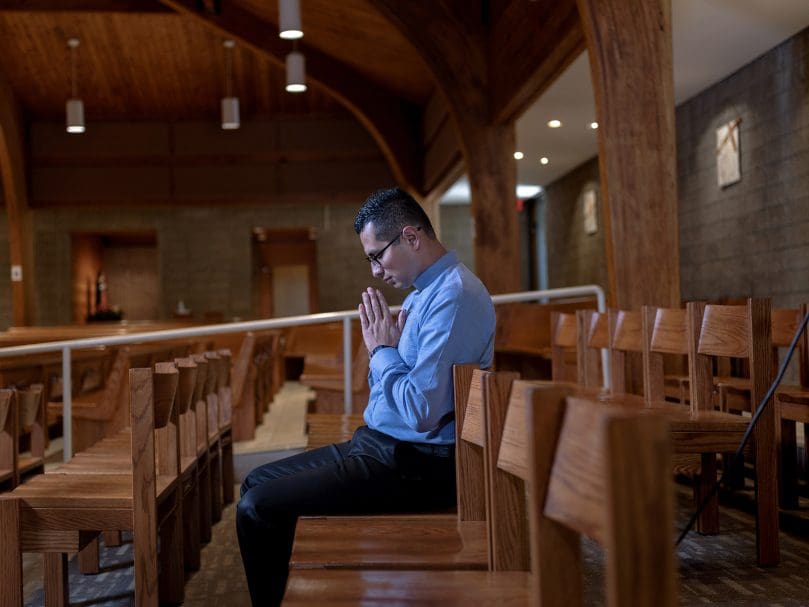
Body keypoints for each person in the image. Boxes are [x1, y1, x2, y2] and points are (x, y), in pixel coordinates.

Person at [236, 187, 495, 606]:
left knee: (258, 509)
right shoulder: (422, 295)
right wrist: (386, 353)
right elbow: (400, 396)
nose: (374, 271)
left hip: (417, 465)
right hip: (381, 446)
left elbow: (421, 412)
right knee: (254, 482)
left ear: (411, 237)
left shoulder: (455, 296)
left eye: (377, 255)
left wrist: (381, 351)